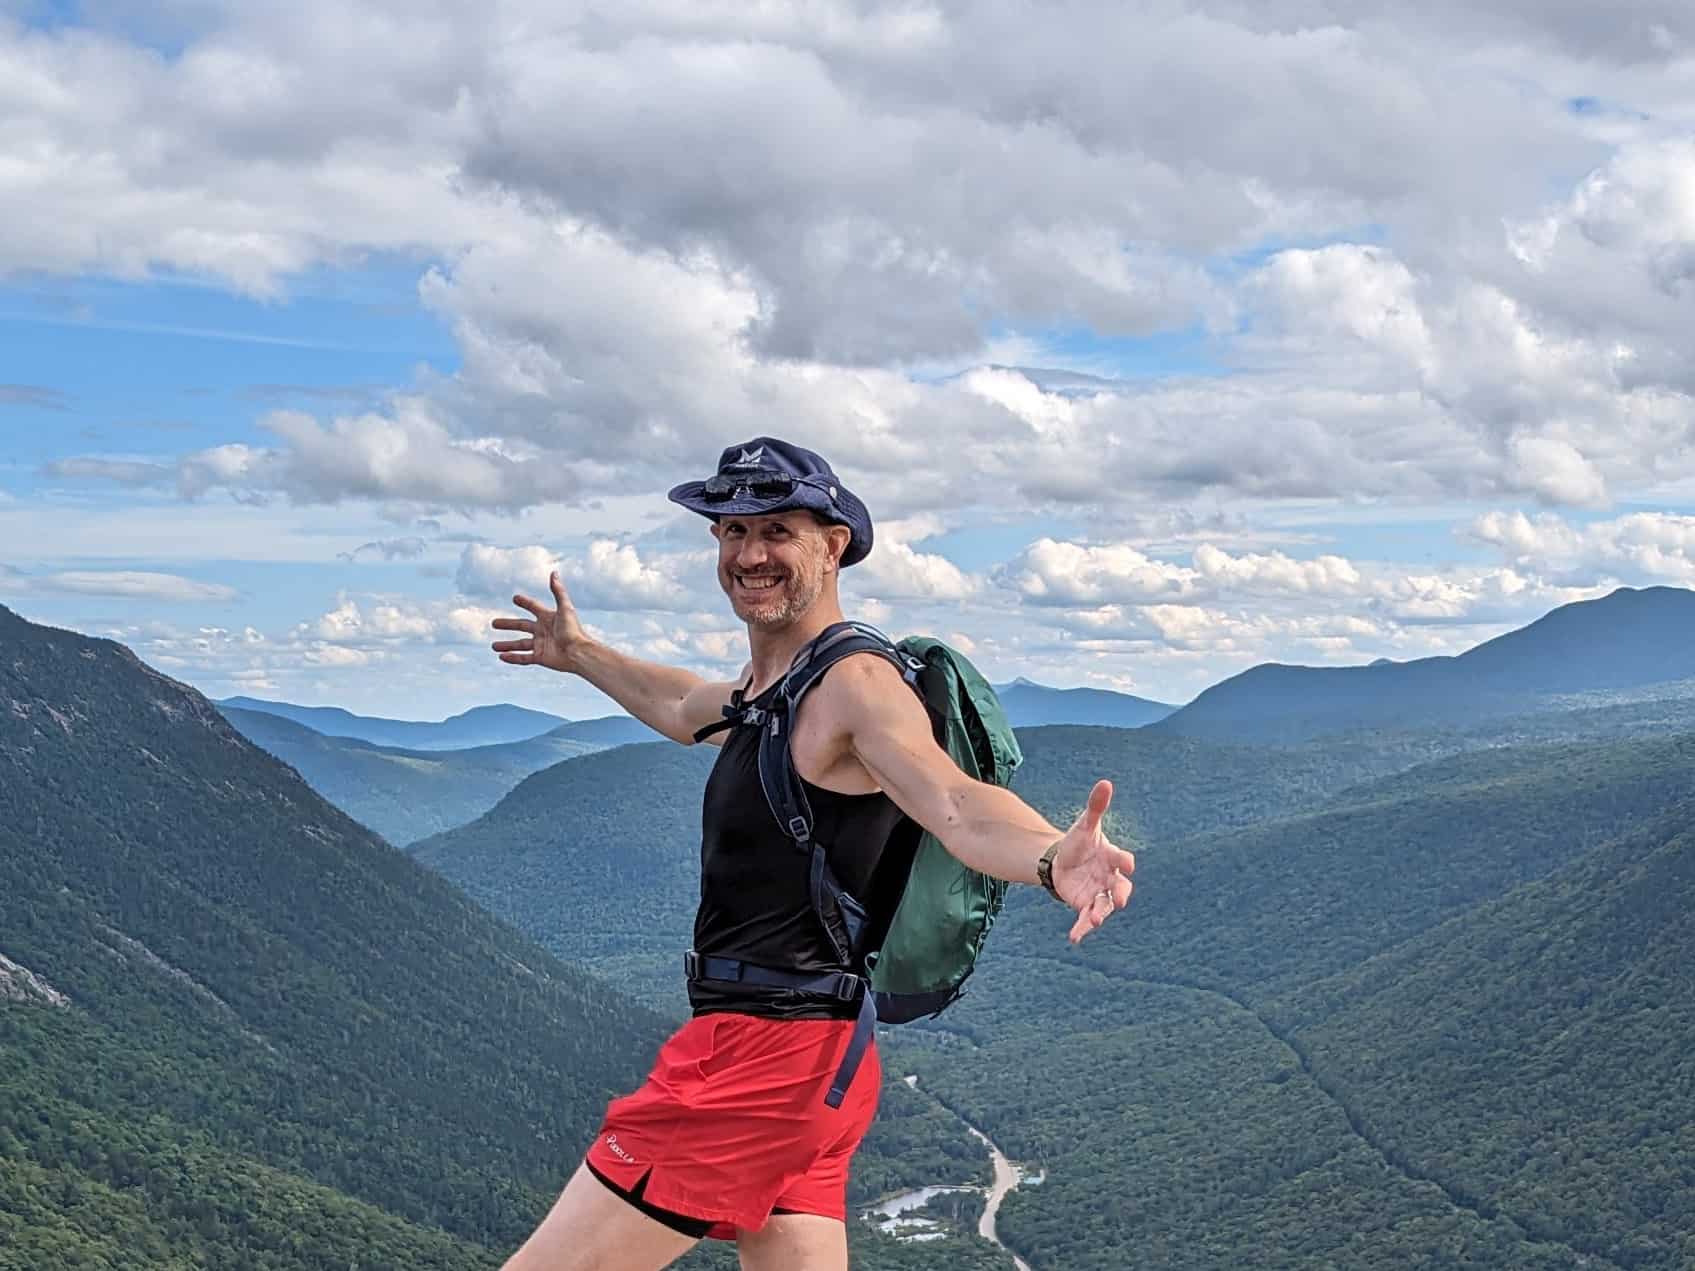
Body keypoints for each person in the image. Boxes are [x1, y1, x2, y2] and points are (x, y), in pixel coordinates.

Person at [489, 437, 1135, 1271]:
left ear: (834, 545)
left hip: (763, 1062)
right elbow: (683, 704)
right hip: (817, 1059)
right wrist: (579, 653)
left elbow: (953, 802)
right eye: (730, 531)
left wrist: (1052, 856)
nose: (748, 553)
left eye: (777, 531)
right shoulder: (773, 689)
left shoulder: (854, 685)